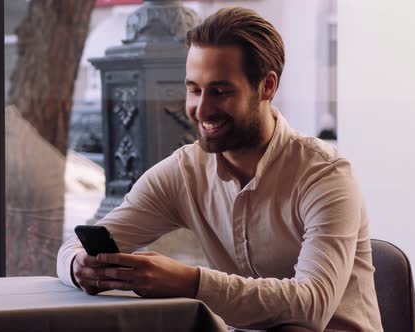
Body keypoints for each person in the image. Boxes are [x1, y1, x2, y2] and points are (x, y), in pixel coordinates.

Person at [57, 7, 383, 332]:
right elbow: (73, 248)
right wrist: (79, 267)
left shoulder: (325, 175)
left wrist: (191, 282)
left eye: (220, 91)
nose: (202, 109)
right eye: (194, 90)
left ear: (267, 87)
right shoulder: (184, 172)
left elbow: (311, 305)